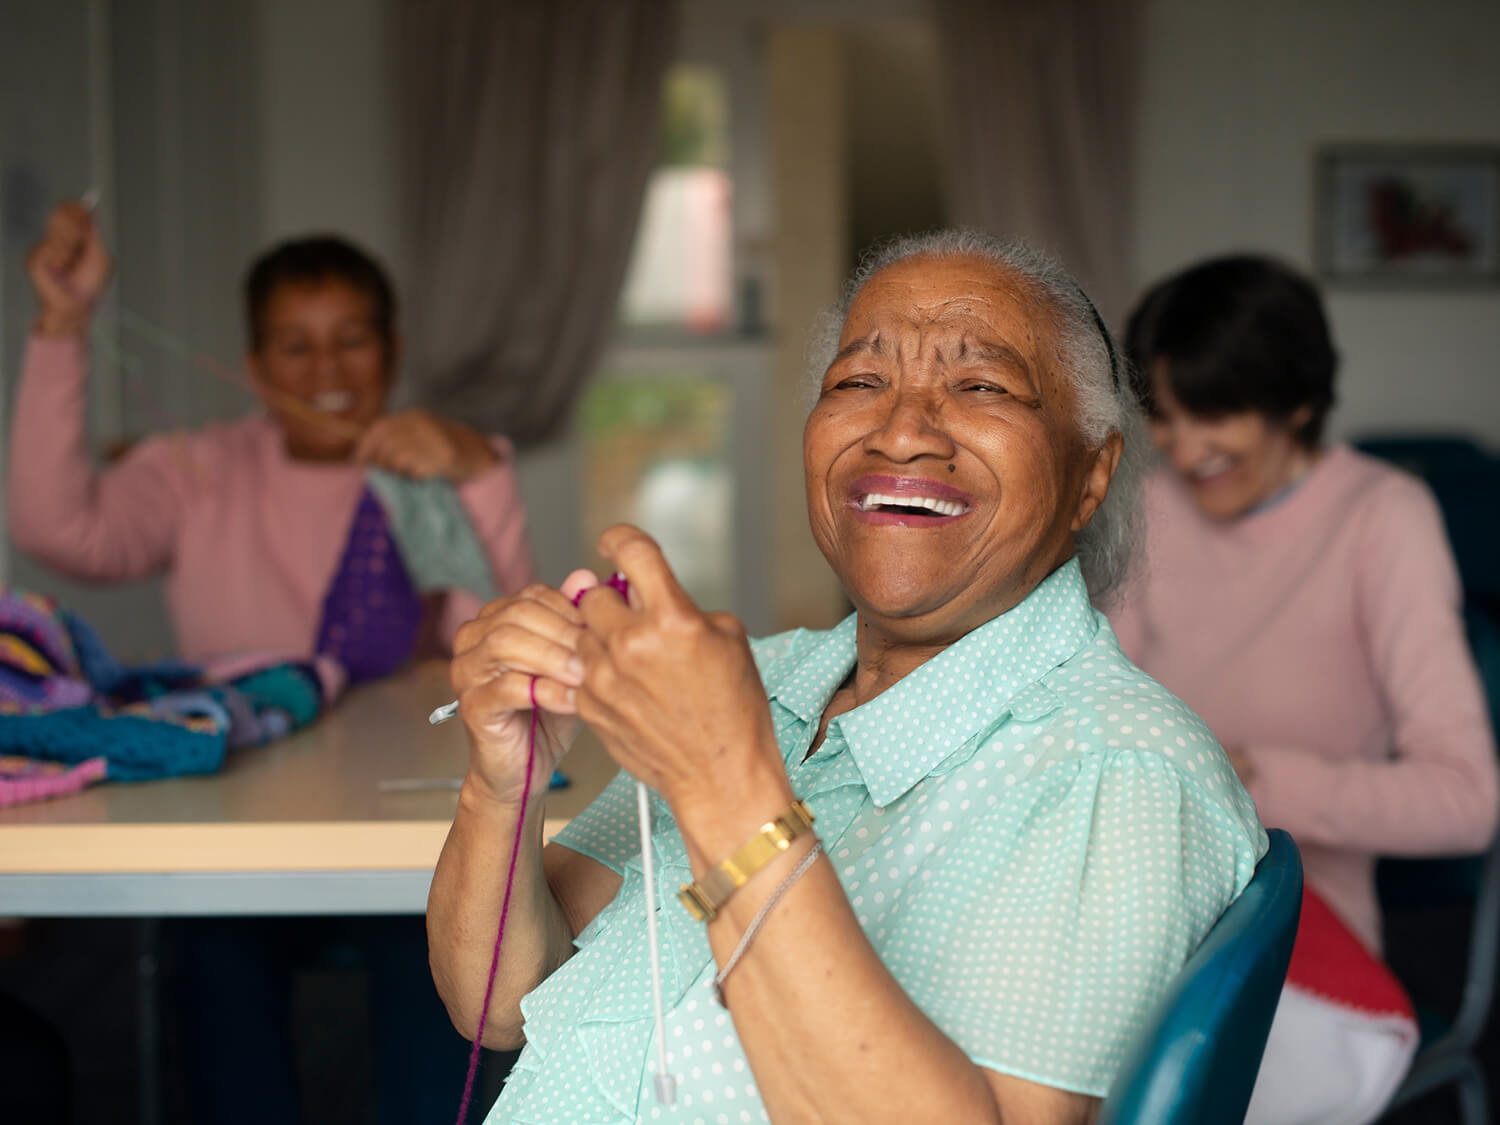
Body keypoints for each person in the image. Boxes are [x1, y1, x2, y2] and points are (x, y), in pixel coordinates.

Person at [426, 231, 1268, 1124]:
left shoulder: (1113, 770)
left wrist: (724, 783)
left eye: (980, 386)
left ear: (1088, 475)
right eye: (858, 383)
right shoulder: (761, 678)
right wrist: (501, 781)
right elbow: (503, 1002)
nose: (900, 429)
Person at [9, 200, 536, 1124]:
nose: (326, 369)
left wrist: (476, 475)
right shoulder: (195, 468)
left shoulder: (430, 468)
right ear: (255, 367)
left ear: (392, 350)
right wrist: (63, 325)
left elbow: (498, 643)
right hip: (231, 823)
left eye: (351, 340)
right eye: (295, 346)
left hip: (402, 835)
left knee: (438, 962)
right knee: (215, 962)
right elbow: (59, 530)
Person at [1111, 254, 1499, 1124]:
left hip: (1292, 930)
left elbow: (1469, 800)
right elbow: (1104, 696)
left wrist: (1249, 780)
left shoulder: (1383, 517)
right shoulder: (1152, 507)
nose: (1182, 448)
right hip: (1145, 895)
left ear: (1293, 400)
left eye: (1212, 414)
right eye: (1164, 419)